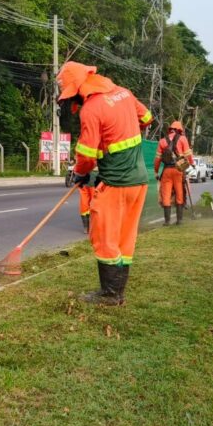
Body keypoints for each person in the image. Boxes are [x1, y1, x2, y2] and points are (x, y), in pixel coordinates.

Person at [57, 61, 153, 305]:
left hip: (117, 183)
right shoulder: (124, 93)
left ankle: (110, 295)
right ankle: (118, 292)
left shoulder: (92, 109)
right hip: (139, 181)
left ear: (77, 89)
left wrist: (79, 173)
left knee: (105, 237)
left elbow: (87, 156)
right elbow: (147, 118)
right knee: (125, 237)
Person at [154, 121, 194, 225]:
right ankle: (179, 220)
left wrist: (156, 171)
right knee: (179, 193)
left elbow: (157, 159)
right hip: (179, 169)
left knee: (166, 194)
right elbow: (188, 155)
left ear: (170, 129)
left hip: (166, 170)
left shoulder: (162, 141)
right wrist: (192, 164)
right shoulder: (183, 139)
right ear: (180, 130)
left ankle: (167, 221)